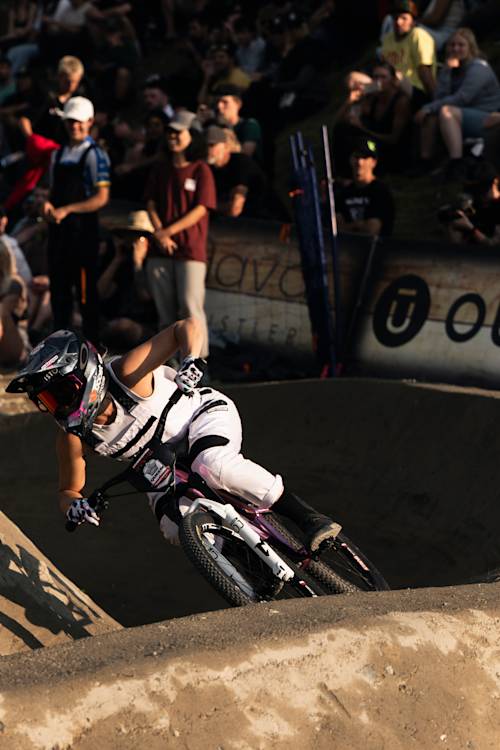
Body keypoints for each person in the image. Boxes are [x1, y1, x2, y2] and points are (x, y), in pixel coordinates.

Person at [5, 319, 341, 552]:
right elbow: (68, 489)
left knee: (216, 466)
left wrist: (191, 359)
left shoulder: (127, 373)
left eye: (59, 393)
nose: (57, 407)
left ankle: (307, 518)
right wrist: (74, 507)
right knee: (176, 525)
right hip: (161, 472)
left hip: (200, 418)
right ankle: (244, 571)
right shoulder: (72, 437)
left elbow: (185, 327)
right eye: (47, 402)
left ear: (84, 372)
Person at [145, 110, 215, 359]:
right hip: (160, 249)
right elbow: (151, 203)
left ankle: (198, 366)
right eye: (170, 132)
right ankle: (168, 367)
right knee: (164, 312)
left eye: (179, 132)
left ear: (192, 135)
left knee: (190, 307)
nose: (172, 136)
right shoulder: (160, 168)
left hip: (190, 250)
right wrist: (160, 234)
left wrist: (167, 232)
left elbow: (201, 209)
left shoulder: (201, 170)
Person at [42, 96, 111, 343]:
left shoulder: (95, 155)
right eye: (71, 122)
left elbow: (102, 197)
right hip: (58, 234)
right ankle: (58, 349)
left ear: (90, 122)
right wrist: (47, 205)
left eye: (80, 122)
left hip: (83, 234)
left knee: (85, 295)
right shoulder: (57, 155)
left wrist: (68, 209)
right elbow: (50, 190)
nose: (75, 127)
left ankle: (91, 348)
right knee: (59, 292)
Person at [414, 27, 500, 179]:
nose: (455, 48)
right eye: (452, 45)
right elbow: (439, 97)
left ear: (470, 47)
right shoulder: (451, 67)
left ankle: (456, 163)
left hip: (487, 118)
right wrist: (447, 72)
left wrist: (428, 108)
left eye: (461, 45)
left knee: (446, 111)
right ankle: (425, 162)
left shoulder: (479, 68)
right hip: (462, 115)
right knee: (432, 116)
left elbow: (462, 98)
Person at [381, 0, 437, 112]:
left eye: (403, 18)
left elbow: (425, 72)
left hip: (417, 90)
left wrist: (434, 101)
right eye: (395, 18)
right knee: (354, 79)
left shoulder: (418, 35)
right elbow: (384, 68)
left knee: (402, 98)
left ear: (413, 21)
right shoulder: (388, 39)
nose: (398, 22)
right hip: (390, 86)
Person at [334, 137, 395, 237]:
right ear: (350, 160)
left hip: (376, 250)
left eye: (365, 158)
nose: (360, 162)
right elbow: (336, 230)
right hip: (347, 249)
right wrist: (360, 225)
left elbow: (372, 230)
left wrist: (348, 227)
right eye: (356, 157)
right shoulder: (344, 193)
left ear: (373, 162)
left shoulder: (381, 192)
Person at [206, 125, 267, 218]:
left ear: (226, 146)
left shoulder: (241, 163)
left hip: (266, 224)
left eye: (212, 145)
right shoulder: (207, 169)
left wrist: (204, 207)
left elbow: (235, 209)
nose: (207, 150)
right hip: (235, 226)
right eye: (204, 145)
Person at [444, 160, 500, 245]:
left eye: (483, 190)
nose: (480, 195)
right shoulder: (472, 205)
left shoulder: (496, 207)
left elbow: (494, 246)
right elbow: (455, 247)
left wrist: (472, 230)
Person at [214, 85, 263, 159]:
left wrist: (226, 128)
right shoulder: (214, 125)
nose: (219, 106)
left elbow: (245, 156)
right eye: (217, 102)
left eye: (225, 102)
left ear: (238, 104)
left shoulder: (250, 125)